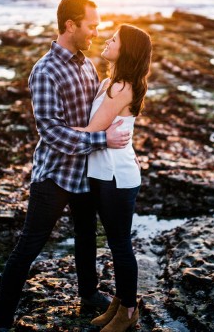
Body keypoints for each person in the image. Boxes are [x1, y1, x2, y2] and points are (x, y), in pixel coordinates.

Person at [0, 0, 131, 332]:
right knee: (29, 245)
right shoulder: (45, 70)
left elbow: (97, 113)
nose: (96, 31)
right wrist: (102, 140)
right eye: (91, 25)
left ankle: (88, 293)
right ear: (71, 25)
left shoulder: (86, 64)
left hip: (84, 172)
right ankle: (0, 321)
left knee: (85, 236)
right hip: (54, 174)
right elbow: (51, 132)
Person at [73, 24, 152, 332]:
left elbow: (92, 131)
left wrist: (54, 130)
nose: (107, 40)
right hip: (106, 172)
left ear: (126, 50)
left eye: (115, 39)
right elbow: (96, 131)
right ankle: (120, 304)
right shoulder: (111, 81)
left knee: (120, 244)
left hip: (117, 176)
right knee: (117, 242)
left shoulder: (121, 87)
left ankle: (129, 311)